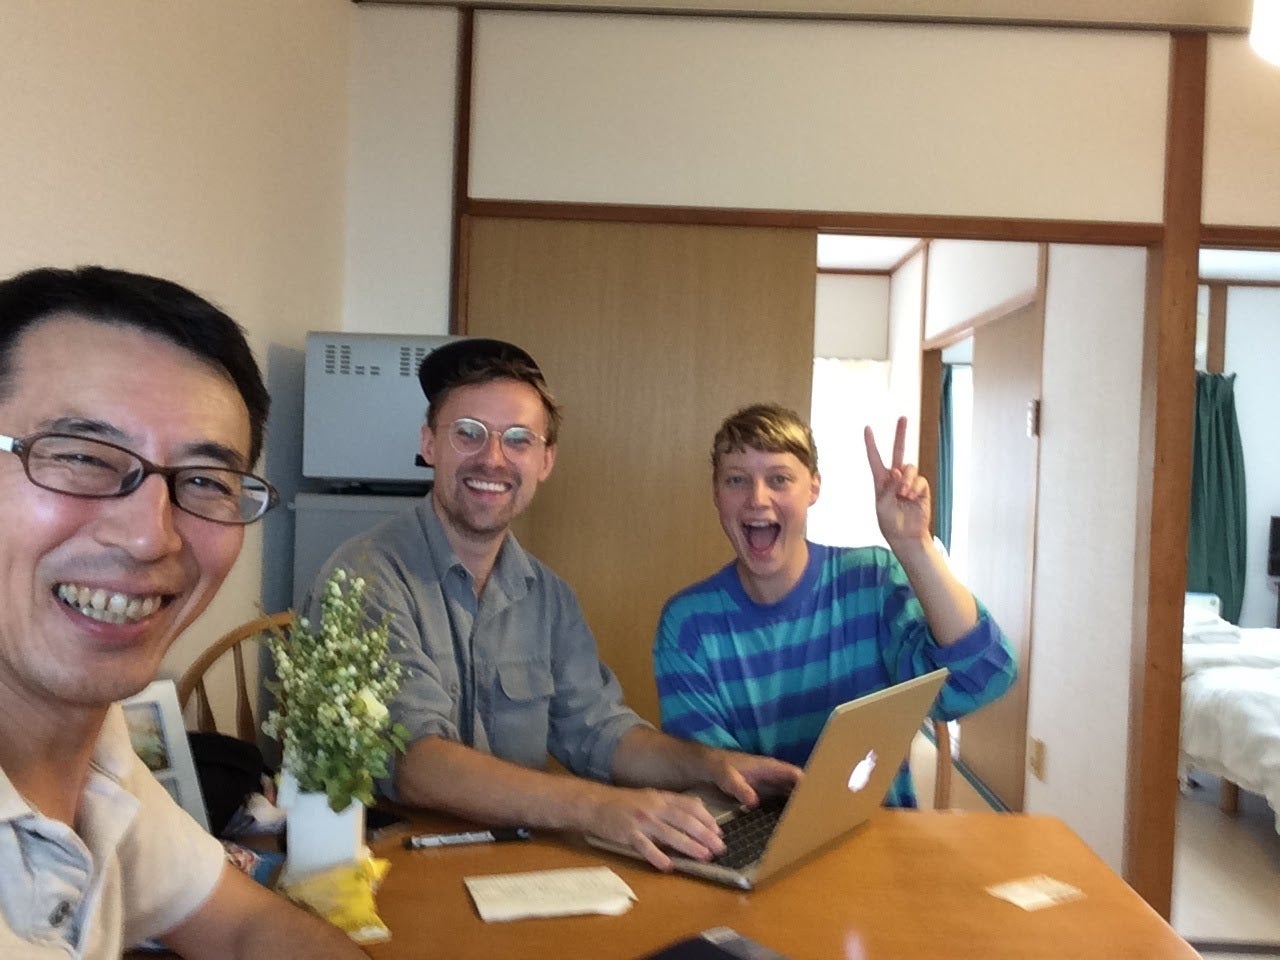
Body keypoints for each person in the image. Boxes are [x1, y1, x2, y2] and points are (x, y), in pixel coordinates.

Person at [306, 338, 801, 871]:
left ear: (545, 461)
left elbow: (600, 730)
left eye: (518, 440)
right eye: (469, 433)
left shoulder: (548, 596)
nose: (492, 458)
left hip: (510, 867)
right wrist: (596, 807)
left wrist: (711, 765)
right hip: (393, 873)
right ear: (429, 444)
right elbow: (415, 763)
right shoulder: (365, 576)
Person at [0, 266, 363, 959]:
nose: (150, 536)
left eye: (203, 480)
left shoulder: (99, 749)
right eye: (82, 457)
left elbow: (247, 926)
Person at [654, 403, 1017, 808]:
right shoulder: (687, 625)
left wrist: (914, 545)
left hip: (877, 831)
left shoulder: (871, 582)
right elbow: (714, 778)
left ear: (813, 488)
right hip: (754, 834)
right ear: (716, 494)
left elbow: (983, 678)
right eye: (736, 480)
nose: (757, 498)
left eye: (779, 479)